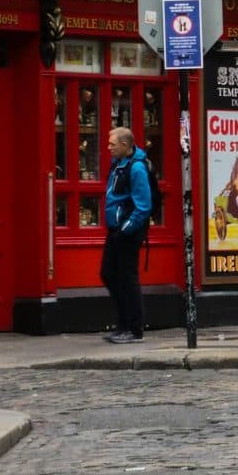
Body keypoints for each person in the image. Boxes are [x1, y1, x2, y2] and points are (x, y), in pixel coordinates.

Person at [101, 127, 152, 344]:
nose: (108, 147)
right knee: (109, 273)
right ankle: (123, 323)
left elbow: (144, 205)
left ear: (124, 144)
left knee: (127, 278)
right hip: (116, 229)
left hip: (128, 231)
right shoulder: (118, 164)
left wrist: (125, 229)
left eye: (112, 143)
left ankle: (134, 328)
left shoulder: (137, 168)